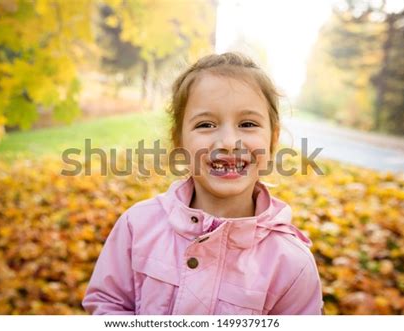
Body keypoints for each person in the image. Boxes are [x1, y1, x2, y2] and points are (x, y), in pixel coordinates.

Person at [82, 52, 324, 315]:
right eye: (206, 124)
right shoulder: (137, 226)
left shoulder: (291, 263)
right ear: (179, 142)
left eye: (248, 123)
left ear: (272, 140)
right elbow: (107, 305)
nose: (229, 142)